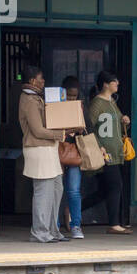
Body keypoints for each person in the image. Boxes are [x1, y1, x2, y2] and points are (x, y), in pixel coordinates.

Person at [18, 65, 67, 244]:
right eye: (41, 78)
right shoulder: (29, 100)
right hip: (39, 149)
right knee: (43, 192)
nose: (43, 81)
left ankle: (52, 230)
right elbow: (37, 130)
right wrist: (59, 135)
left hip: (48, 149)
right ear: (32, 81)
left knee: (56, 189)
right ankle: (40, 232)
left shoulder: (35, 98)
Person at [87, 70, 133, 235]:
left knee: (105, 190)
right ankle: (114, 224)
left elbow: (116, 125)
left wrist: (124, 121)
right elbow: (89, 126)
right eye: (114, 81)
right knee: (115, 185)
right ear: (106, 84)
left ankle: (72, 210)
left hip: (116, 150)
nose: (117, 83)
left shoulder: (112, 102)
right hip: (105, 152)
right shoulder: (97, 103)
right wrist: (97, 145)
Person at [57, 76, 86, 239]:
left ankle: (76, 225)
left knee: (74, 191)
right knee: (57, 191)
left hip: (74, 152)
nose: (71, 99)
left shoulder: (81, 108)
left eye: (74, 96)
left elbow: (89, 130)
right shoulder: (55, 107)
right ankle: (55, 226)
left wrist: (82, 129)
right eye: (69, 95)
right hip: (61, 150)